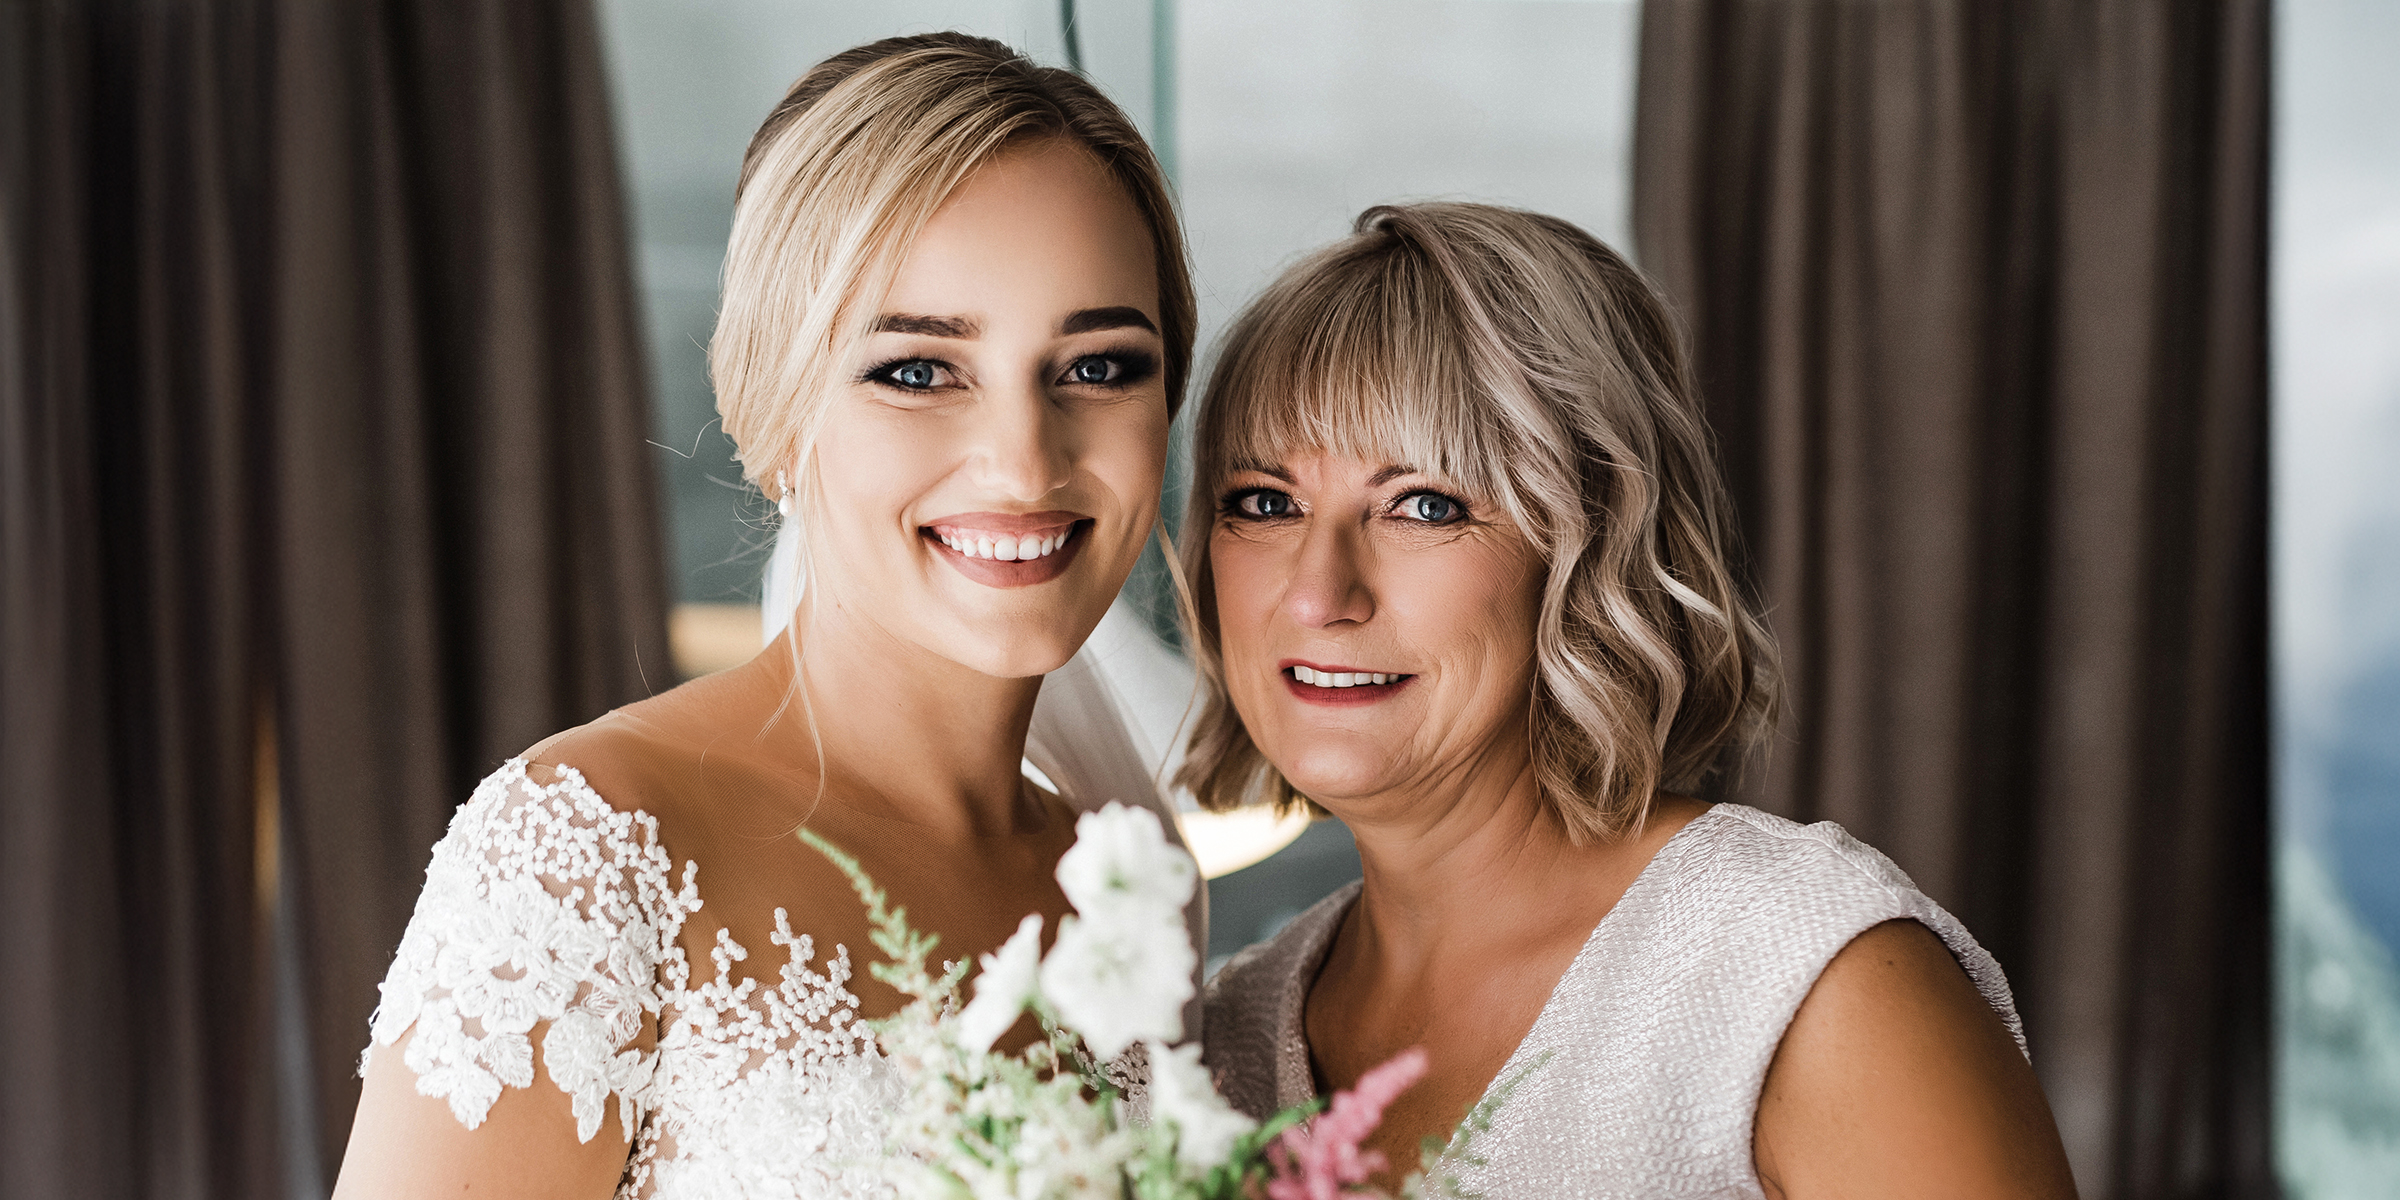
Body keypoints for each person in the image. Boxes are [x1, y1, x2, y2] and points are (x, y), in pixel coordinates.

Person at [333, 34, 1198, 1200]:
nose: (1023, 459)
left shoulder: (1126, 890)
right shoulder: (588, 859)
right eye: (916, 370)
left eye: (1098, 368)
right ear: (779, 416)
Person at [1189, 203, 2077, 1198]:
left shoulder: (1806, 980)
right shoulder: (1215, 1048)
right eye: (1265, 502)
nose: (1318, 594)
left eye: (1425, 506)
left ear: (1593, 541)